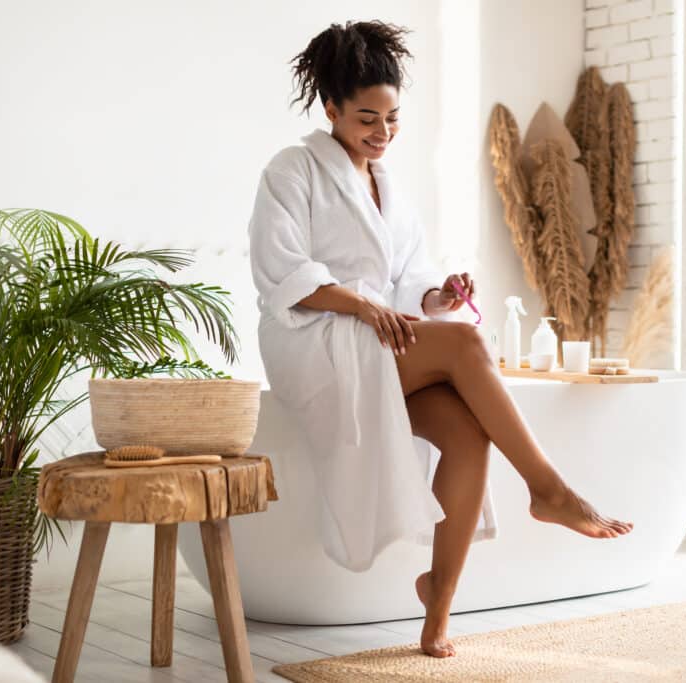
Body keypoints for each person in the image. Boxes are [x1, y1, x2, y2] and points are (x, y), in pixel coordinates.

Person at [248, 19, 633, 659]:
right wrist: (365, 308)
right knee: (467, 348)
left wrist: (438, 298)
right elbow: (281, 273)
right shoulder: (292, 170)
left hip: (380, 339)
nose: (383, 132)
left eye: (393, 119)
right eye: (367, 118)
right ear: (332, 108)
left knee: (465, 430)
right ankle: (550, 490)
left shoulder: (390, 187)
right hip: (312, 340)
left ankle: (438, 605)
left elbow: (406, 278)